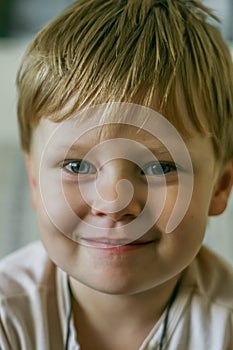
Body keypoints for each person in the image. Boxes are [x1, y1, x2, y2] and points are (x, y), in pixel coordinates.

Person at [1, 0, 233, 349]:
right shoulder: (8, 317)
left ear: (220, 186)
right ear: (34, 181)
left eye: (159, 167)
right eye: (77, 167)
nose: (113, 203)